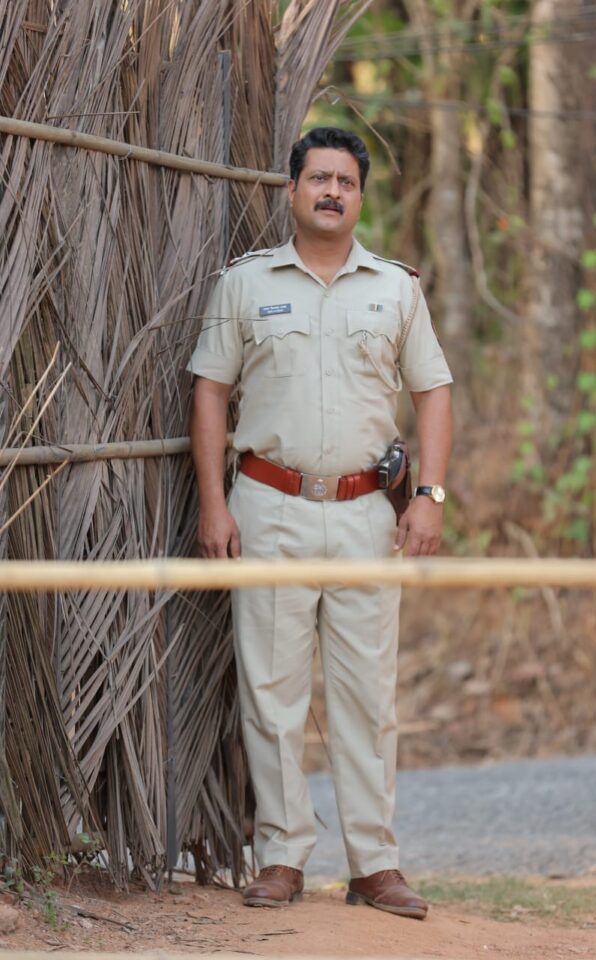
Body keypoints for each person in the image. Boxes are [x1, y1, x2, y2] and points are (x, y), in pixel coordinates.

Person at [188, 127, 453, 919]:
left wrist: (430, 496)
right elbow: (209, 390)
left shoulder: (395, 288)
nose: (331, 191)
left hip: (366, 514)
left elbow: (433, 391)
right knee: (270, 691)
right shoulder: (245, 284)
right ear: (292, 190)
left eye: (345, 181)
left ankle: (375, 865)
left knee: (367, 693)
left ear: (360, 197)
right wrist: (213, 502)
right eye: (318, 178)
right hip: (267, 507)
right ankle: (281, 857)